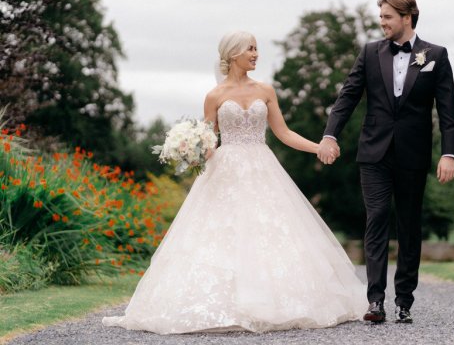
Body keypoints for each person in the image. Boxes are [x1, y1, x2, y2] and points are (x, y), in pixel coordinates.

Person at [102, 31, 365, 334]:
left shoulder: (266, 91)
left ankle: (275, 301)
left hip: (262, 167)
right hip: (224, 170)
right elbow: (209, 141)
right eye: (250, 49)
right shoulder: (214, 96)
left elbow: (283, 133)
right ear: (233, 54)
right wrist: (189, 148)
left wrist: (318, 146)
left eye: (257, 49)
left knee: (269, 230)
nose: (255, 54)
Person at [317, 0, 454, 324]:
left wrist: (448, 154)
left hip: (413, 152)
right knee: (377, 216)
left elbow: (448, 111)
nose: (382, 23)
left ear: (407, 17)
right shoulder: (369, 53)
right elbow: (348, 95)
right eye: (380, 17)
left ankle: (405, 300)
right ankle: (376, 300)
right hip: (374, 152)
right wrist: (329, 133)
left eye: (387, 17)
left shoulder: (435, 55)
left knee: (409, 224)